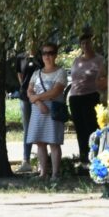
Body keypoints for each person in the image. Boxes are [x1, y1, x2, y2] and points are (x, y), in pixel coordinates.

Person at [26, 42, 67, 181]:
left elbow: (56, 91)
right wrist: (38, 103)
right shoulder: (36, 73)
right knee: (40, 142)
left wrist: (37, 97)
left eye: (50, 53)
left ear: (55, 55)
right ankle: (43, 173)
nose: (47, 56)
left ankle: (55, 174)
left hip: (54, 110)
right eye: (44, 53)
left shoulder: (60, 72)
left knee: (54, 142)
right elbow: (29, 91)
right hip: (38, 110)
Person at [69, 31, 106, 166]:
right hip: (75, 97)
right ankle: (83, 157)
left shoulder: (99, 60)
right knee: (80, 128)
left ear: (92, 43)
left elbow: (102, 78)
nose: (85, 45)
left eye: (88, 42)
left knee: (91, 127)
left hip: (91, 97)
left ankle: (95, 157)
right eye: (83, 43)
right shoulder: (77, 60)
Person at [15, 45, 42, 173]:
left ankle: (42, 161)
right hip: (24, 95)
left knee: (39, 125)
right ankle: (26, 160)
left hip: (40, 95)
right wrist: (26, 88)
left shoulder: (41, 56)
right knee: (27, 127)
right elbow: (19, 75)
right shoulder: (20, 57)